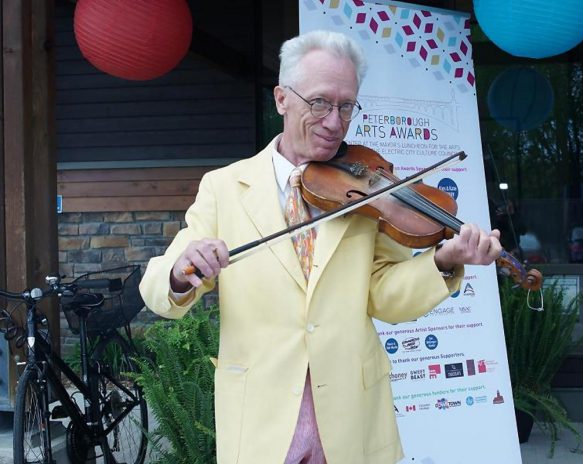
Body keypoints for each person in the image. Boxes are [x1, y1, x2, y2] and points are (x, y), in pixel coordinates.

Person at [139, 30, 501, 464]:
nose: (335, 122)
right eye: (319, 103)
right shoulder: (223, 187)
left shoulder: (367, 187)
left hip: (350, 419)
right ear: (281, 99)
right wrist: (182, 271)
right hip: (262, 420)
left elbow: (383, 295)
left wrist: (443, 260)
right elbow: (160, 285)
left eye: (346, 105)